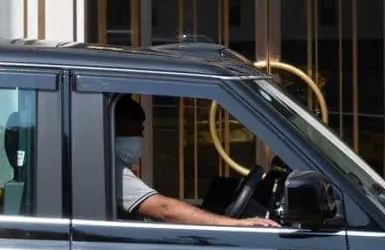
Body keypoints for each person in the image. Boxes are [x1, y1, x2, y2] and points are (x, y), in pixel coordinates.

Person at [113, 96, 279, 227]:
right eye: (134, 131)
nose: (140, 137)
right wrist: (235, 224)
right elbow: (164, 209)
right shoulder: (111, 170)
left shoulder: (114, 165)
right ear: (112, 127)